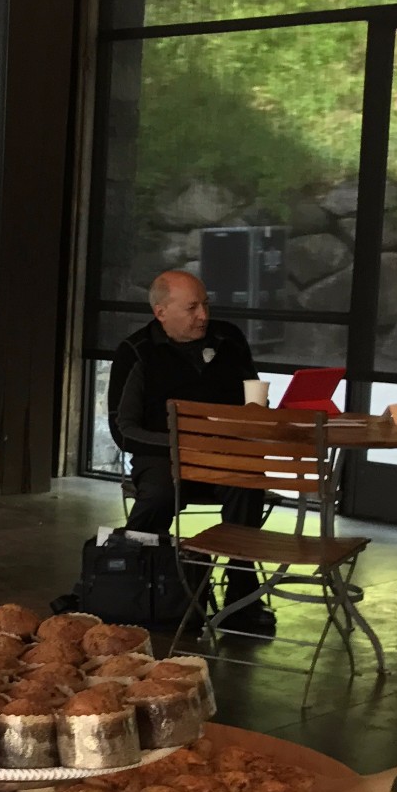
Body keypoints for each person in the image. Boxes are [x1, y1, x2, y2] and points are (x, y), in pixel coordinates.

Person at [106, 268, 271, 634]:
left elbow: (252, 394)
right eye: (192, 307)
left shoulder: (229, 339)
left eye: (206, 305)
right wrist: (181, 444)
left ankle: (242, 594)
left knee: (247, 482)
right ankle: (133, 581)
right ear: (161, 312)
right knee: (159, 494)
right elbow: (123, 429)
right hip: (163, 455)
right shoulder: (136, 352)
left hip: (223, 452)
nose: (203, 316)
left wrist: (256, 415)